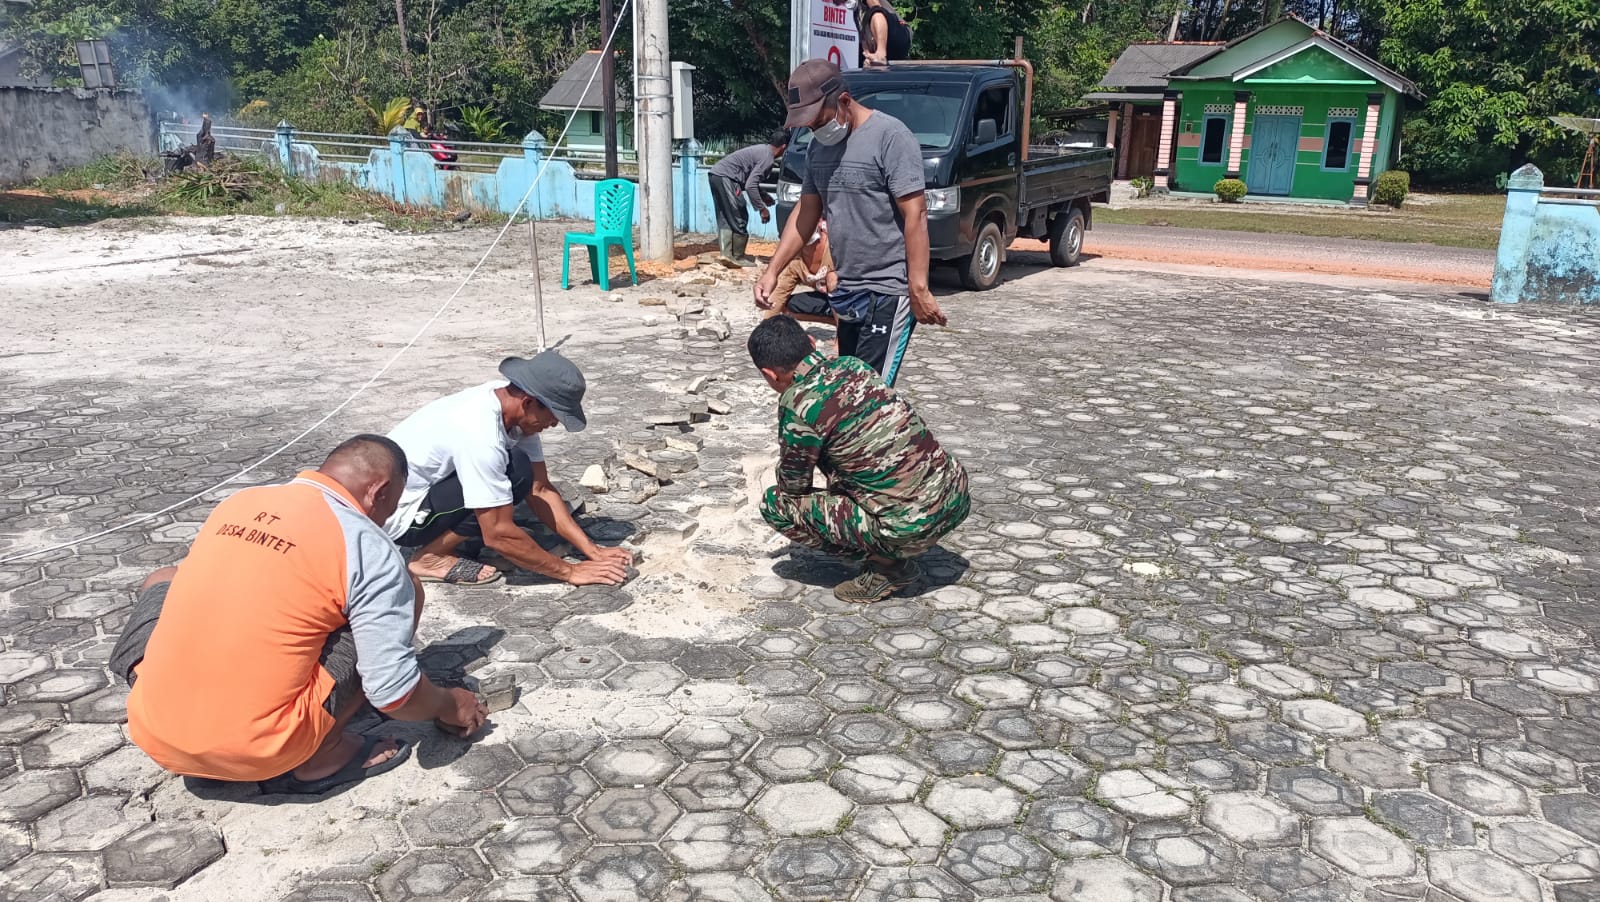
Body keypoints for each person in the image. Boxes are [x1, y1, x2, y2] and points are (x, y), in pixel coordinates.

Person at [112, 435, 488, 794]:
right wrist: (450, 703)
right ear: (380, 490)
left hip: (153, 734)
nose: (387, 518)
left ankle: (176, 705)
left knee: (165, 579)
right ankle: (320, 757)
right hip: (261, 752)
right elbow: (392, 692)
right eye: (391, 508)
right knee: (399, 596)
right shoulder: (364, 543)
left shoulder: (240, 501)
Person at [748, 316, 969, 604]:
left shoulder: (797, 403)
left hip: (909, 526)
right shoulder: (854, 365)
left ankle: (886, 567)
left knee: (776, 504)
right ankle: (893, 542)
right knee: (846, 471)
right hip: (955, 496)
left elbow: (794, 485)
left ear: (770, 374)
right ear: (812, 344)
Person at [754, 59, 946, 388]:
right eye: (808, 126)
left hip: (887, 290)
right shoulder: (818, 150)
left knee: (868, 397)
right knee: (847, 389)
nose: (814, 130)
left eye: (819, 121)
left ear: (843, 100)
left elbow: (915, 214)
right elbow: (805, 213)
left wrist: (918, 288)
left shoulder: (891, 137)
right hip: (846, 289)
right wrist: (772, 270)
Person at [384, 351, 632, 587]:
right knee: (506, 479)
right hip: (401, 516)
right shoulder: (480, 433)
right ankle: (430, 557)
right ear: (529, 402)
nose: (555, 423)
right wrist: (570, 571)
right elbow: (498, 535)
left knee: (518, 470)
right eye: (554, 414)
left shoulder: (509, 403)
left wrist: (592, 550)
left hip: (428, 490)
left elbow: (540, 488)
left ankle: (450, 536)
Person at [709, 129, 789, 267]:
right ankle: (737, 257)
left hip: (716, 175)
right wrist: (762, 209)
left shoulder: (763, 151)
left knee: (726, 215)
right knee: (739, 214)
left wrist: (763, 195)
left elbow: (749, 181)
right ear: (784, 147)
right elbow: (751, 185)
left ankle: (727, 255)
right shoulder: (767, 158)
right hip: (726, 178)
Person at [765, 219, 839, 345]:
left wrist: (841, 341)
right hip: (827, 301)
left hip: (851, 298)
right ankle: (837, 322)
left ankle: (844, 333)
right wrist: (764, 332)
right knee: (785, 305)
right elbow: (779, 293)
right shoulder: (795, 261)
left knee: (833, 281)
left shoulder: (834, 247)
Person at [858, 0, 913, 67]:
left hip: (897, 33)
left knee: (876, 11)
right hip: (870, 42)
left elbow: (877, 7)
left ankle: (880, 54)